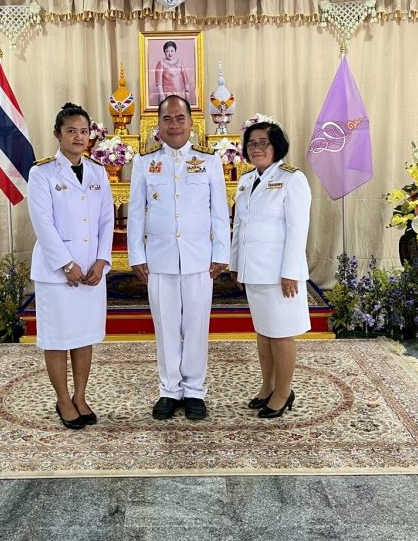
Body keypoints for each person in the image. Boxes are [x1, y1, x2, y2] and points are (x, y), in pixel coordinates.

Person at [127, 95, 230, 420]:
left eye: (180, 118)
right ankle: (169, 390)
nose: (174, 125)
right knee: (166, 326)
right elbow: (136, 213)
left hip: (199, 258)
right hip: (160, 259)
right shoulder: (145, 163)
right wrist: (136, 254)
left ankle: (195, 390)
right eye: (167, 119)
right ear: (158, 125)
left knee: (197, 325)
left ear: (191, 123)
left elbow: (219, 211)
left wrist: (221, 252)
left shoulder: (209, 161)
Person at [27, 102, 114, 430]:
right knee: (57, 337)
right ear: (57, 134)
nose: (78, 137)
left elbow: (106, 220)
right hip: (57, 273)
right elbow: (43, 223)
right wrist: (66, 264)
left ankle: (80, 396)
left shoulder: (98, 172)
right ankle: (63, 399)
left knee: (83, 335)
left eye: (83, 131)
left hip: (91, 271)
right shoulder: (42, 173)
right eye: (71, 131)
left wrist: (102, 260)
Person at [230, 120, 311, 419]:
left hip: (280, 274)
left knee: (281, 334)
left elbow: (298, 229)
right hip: (254, 270)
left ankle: (283, 392)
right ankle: (268, 386)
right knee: (264, 333)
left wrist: (290, 271)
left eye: (263, 142)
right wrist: (236, 265)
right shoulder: (246, 180)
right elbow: (240, 226)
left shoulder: (292, 179)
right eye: (252, 143)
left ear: (276, 146)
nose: (257, 148)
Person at [154, 40, 190, 105]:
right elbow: (159, 81)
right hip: (167, 94)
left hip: (180, 93)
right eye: (167, 51)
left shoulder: (180, 62)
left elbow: (185, 78)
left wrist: (187, 91)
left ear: (175, 51)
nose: (170, 53)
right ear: (164, 52)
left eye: (172, 51)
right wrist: (161, 95)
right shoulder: (161, 63)